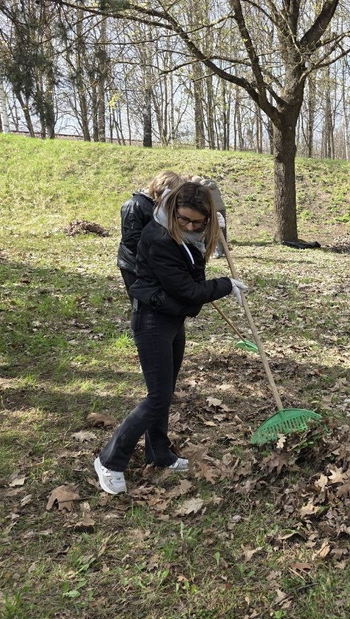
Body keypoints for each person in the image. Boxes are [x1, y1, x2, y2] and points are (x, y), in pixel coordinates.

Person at [94, 181, 248, 495]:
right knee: (157, 398)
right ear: (173, 210)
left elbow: (195, 267)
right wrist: (225, 285)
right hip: (152, 320)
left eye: (198, 221)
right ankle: (110, 460)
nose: (190, 225)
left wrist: (214, 232)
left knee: (164, 392)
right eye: (185, 219)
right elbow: (189, 289)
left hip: (171, 319)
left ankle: (159, 453)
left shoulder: (189, 234)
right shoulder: (159, 237)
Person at [116, 171, 184, 296]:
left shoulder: (162, 206)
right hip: (134, 265)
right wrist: (158, 256)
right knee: (141, 304)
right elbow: (132, 240)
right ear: (160, 189)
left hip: (154, 264)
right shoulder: (134, 205)